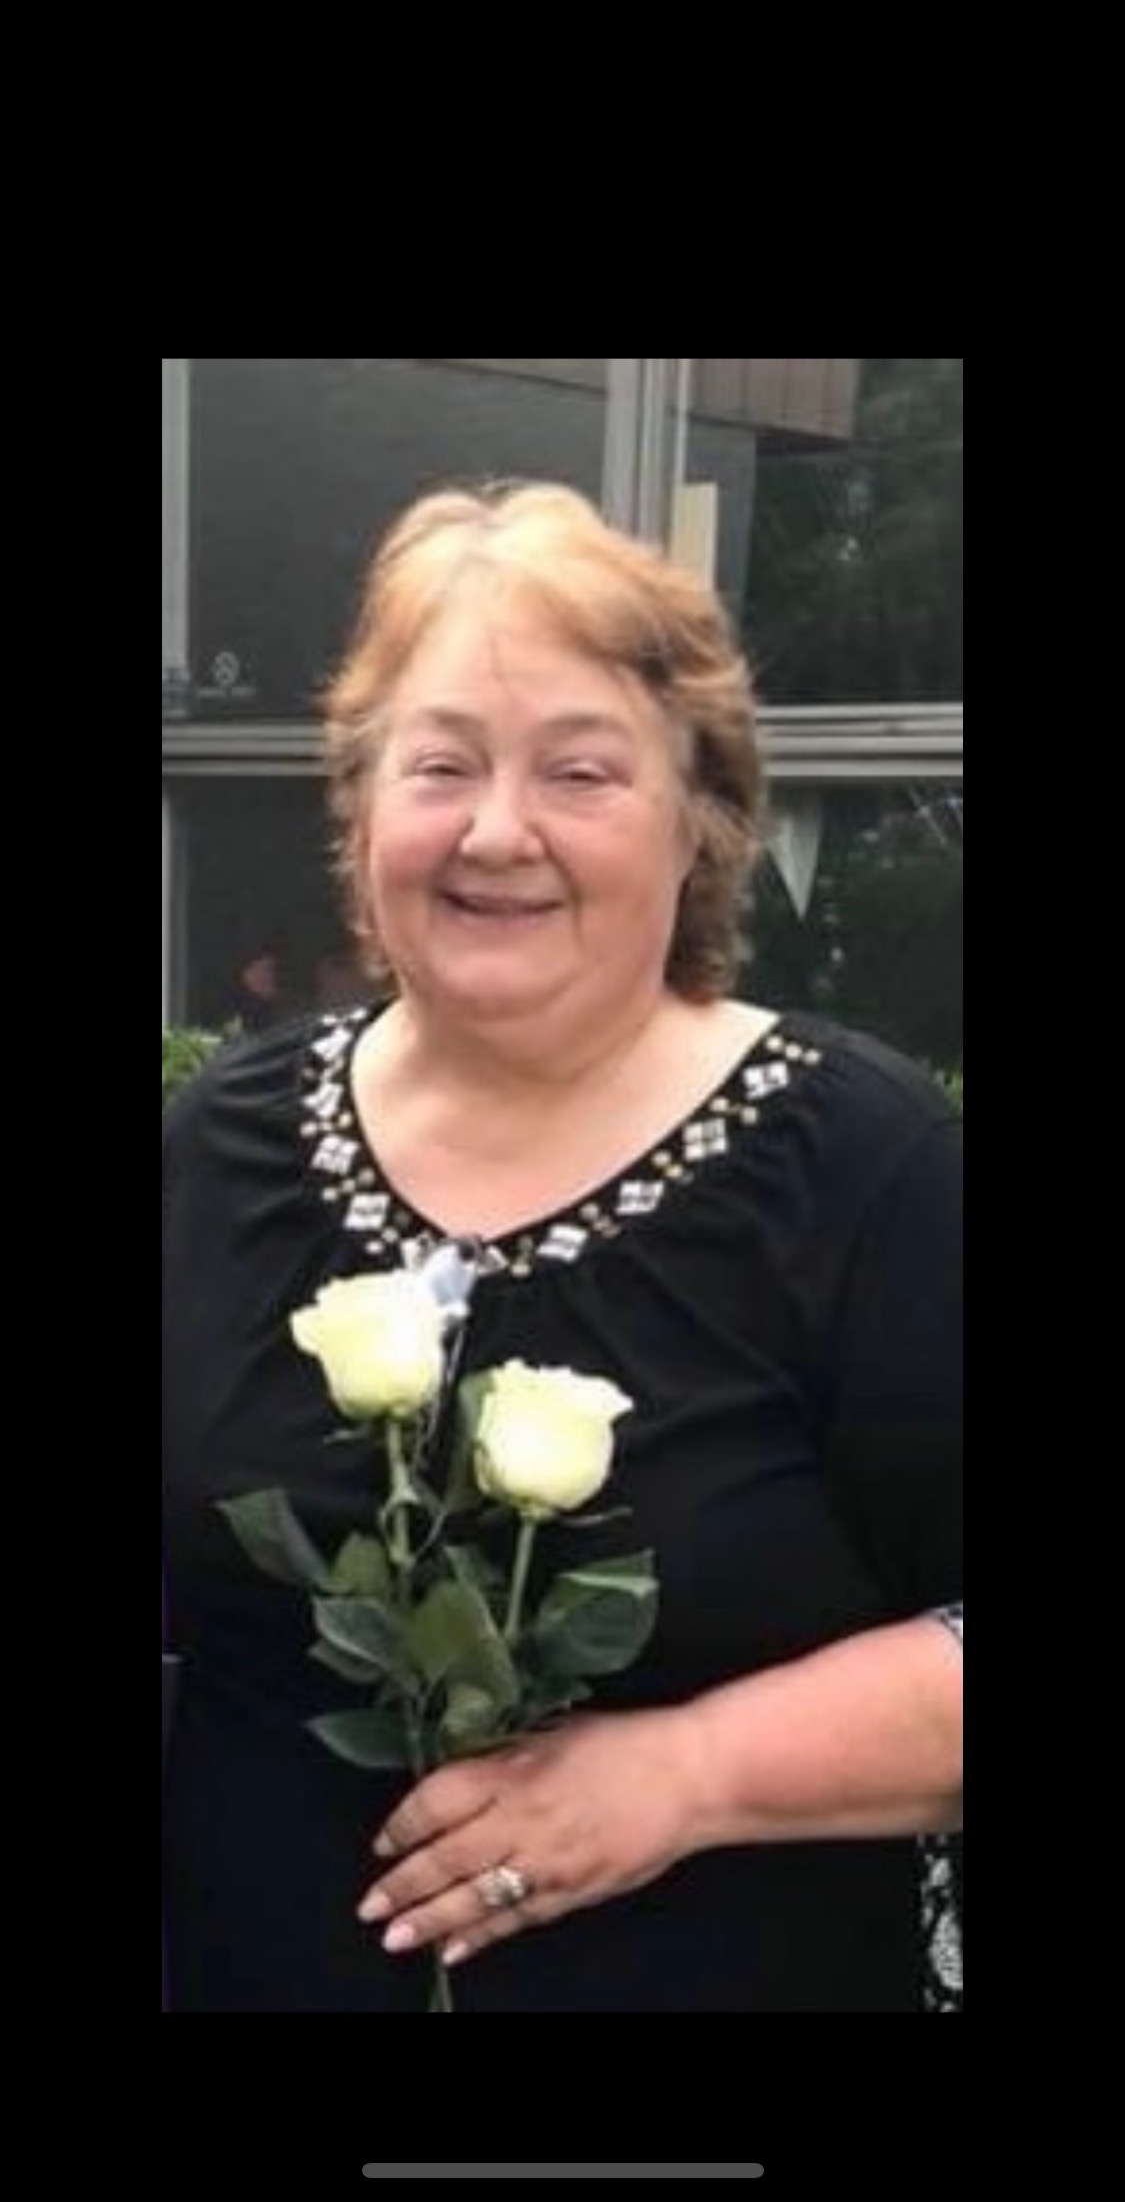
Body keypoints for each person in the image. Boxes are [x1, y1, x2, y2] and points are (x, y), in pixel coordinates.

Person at [162, 480, 962, 2014]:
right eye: (439, 765)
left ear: (698, 820)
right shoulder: (225, 1140)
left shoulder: (865, 1165)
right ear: (361, 811)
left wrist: (693, 1771)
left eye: (578, 771)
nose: (495, 830)